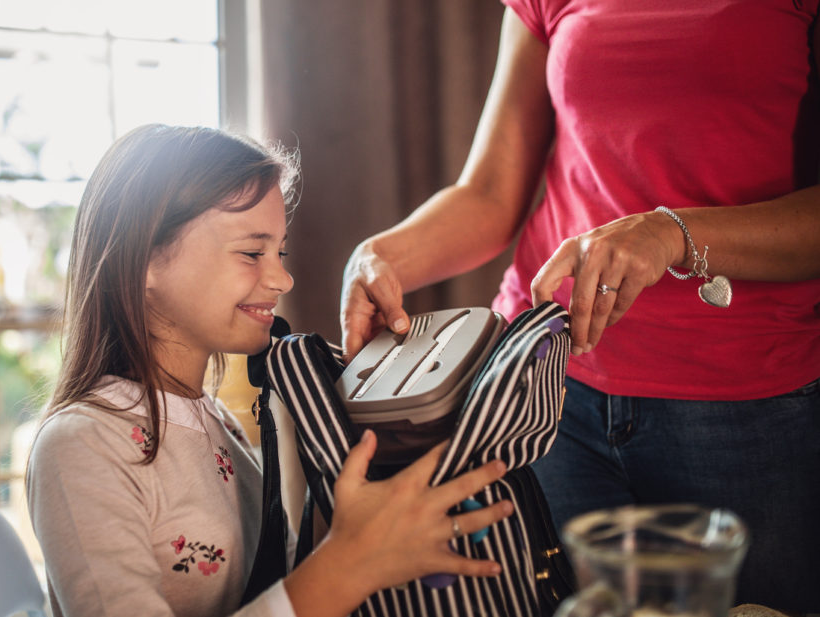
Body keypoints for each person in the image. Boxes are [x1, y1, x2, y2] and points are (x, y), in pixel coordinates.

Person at [340, 3, 820, 613]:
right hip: (546, 387)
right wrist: (382, 257)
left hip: (746, 404)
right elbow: (489, 192)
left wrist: (671, 232)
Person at [26, 124, 515, 617]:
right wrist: (350, 565)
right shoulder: (83, 445)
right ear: (145, 259)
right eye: (251, 253)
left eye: (278, 252)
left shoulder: (218, 422)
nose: (282, 278)